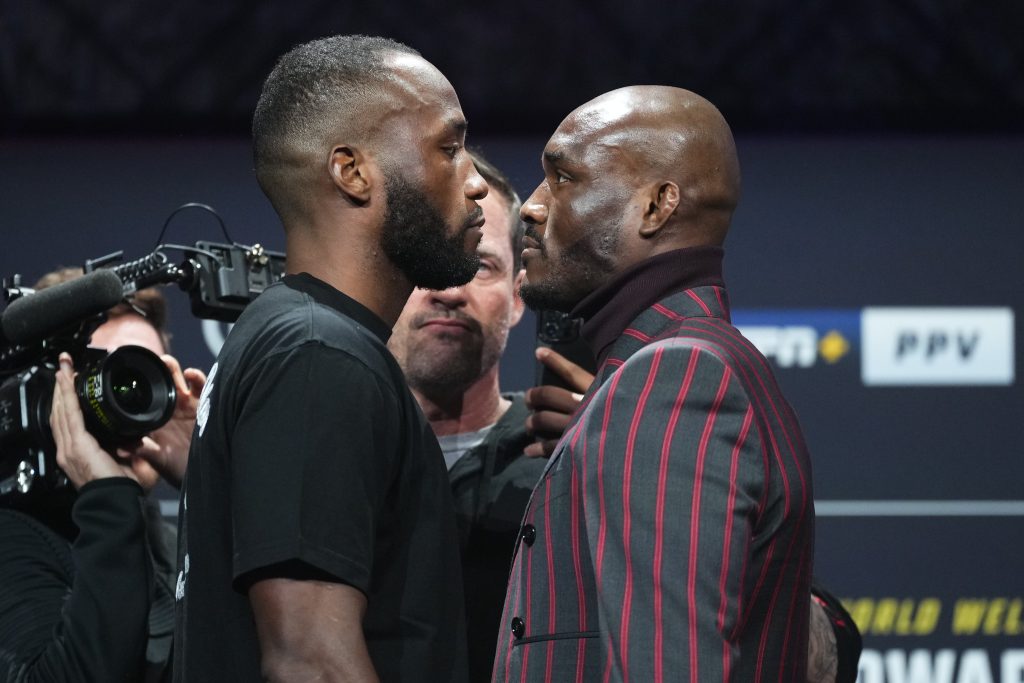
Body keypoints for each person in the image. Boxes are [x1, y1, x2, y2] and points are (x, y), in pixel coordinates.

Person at [172, 35, 487, 682]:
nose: (477, 181)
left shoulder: (304, 340)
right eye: (448, 149)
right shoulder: (320, 355)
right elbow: (310, 659)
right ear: (352, 171)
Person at [493, 86, 816, 681]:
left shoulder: (675, 378)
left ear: (657, 206)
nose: (531, 207)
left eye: (562, 178)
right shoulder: (669, 370)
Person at [0, 269, 204, 683]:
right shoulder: (13, 539)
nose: (126, 407)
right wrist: (107, 496)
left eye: (141, 378)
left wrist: (205, 474)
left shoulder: (172, 538)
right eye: (103, 376)